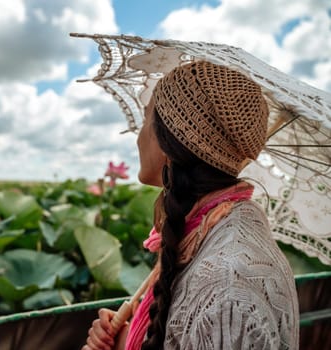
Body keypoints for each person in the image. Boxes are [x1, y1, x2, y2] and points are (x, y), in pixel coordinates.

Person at [82, 61, 299, 349]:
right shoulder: (206, 233)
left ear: (169, 142)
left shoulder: (228, 286)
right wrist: (129, 336)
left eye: (147, 120)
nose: (137, 138)